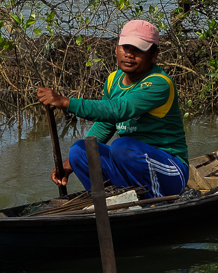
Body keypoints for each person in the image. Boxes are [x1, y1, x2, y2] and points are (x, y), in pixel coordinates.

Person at [36, 20, 189, 197]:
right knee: (79, 150)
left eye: (138, 50)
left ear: (154, 55)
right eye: (125, 47)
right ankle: (112, 201)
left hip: (171, 171)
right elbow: (105, 125)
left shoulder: (159, 83)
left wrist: (66, 103)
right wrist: (70, 163)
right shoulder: (113, 80)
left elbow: (120, 109)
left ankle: (157, 201)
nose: (129, 55)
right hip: (130, 165)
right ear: (116, 49)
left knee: (122, 146)